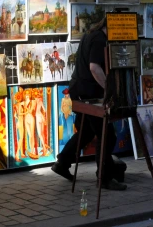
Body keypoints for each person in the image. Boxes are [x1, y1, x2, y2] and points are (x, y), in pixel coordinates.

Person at [51, 18, 126, 190]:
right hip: (88, 93)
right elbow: (94, 67)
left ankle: (62, 162)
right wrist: (109, 88)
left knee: (86, 131)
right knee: (106, 135)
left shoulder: (90, 34)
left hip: (80, 89)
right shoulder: (99, 39)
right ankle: (104, 178)